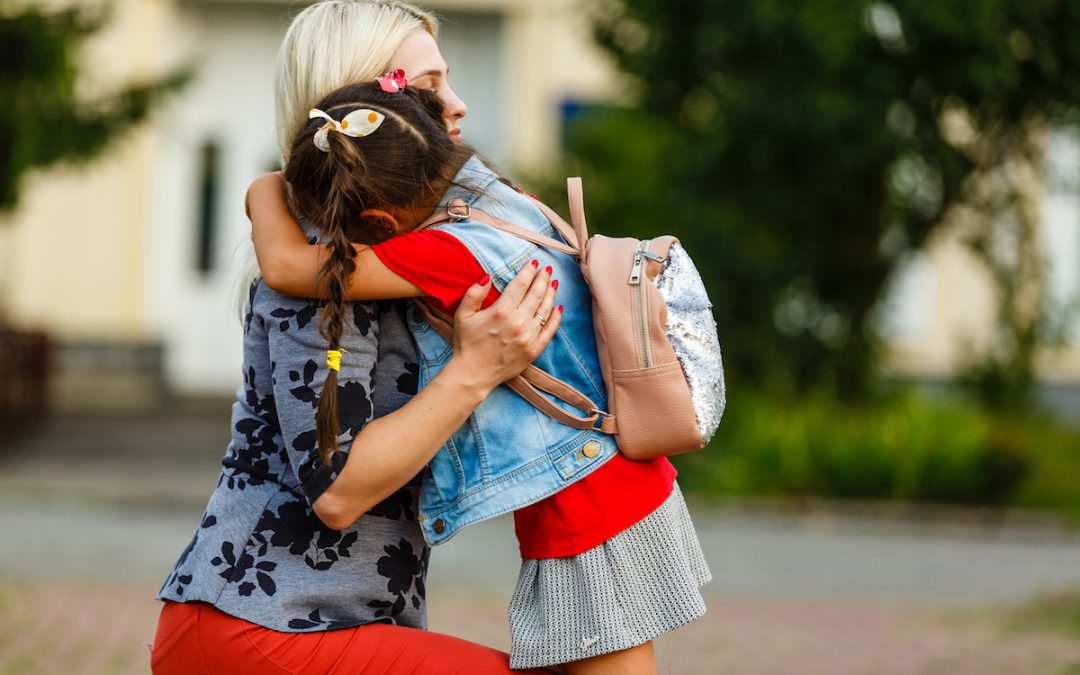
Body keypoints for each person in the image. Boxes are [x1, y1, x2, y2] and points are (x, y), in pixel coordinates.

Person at [246, 76, 711, 674]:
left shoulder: (443, 252)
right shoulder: (496, 192)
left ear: (382, 220)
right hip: (613, 478)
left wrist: (266, 184)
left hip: (587, 506)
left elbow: (287, 265)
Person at [150, 2, 559, 673]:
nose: (456, 106)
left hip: (330, 623)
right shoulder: (323, 265)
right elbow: (336, 489)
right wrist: (475, 368)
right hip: (261, 626)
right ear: (359, 105)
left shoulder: (397, 251)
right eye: (427, 88)